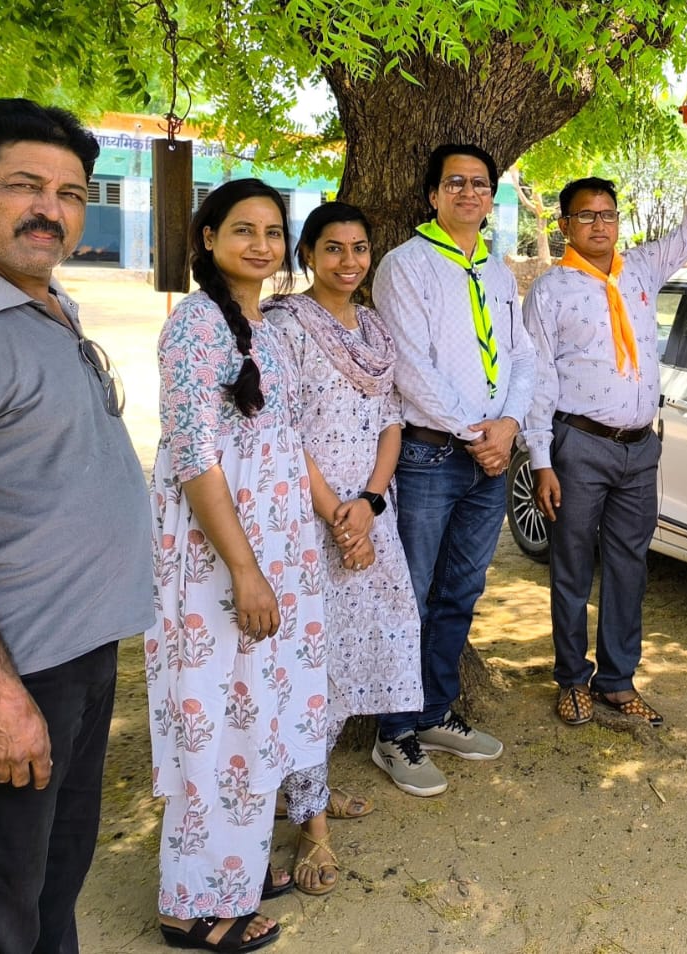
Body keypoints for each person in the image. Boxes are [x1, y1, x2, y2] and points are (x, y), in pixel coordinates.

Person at [0, 97, 154, 954]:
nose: (51, 209)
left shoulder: (43, 300)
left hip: (76, 651)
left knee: (53, 882)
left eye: (72, 193)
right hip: (14, 669)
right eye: (24, 185)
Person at [148, 178, 339, 950]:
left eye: (272, 231)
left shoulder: (268, 326)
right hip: (221, 560)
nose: (260, 244)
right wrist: (246, 570)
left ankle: (234, 869)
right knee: (219, 722)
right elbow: (195, 458)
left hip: (277, 549)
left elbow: (282, 441)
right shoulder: (195, 325)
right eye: (243, 230)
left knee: (258, 715)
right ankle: (191, 907)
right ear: (207, 237)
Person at [523, 131, 687, 728]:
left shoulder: (641, 268)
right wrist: (541, 461)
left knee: (630, 566)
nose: (600, 225)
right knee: (571, 566)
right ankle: (571, 679)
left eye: (608, 214)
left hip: (640, 447)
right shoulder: (550, 290)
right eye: (587, 216)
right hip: (578, 445)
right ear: (565, 225)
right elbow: (537, 379)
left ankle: (616, 679)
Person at [266, 202, 423, 895]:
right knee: (310, 670)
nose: (349, 261)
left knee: (358, 653)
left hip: (369, 514)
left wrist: (370, 504)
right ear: (307, 253)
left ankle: (309, 788)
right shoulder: (284, 328)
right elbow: (281, 432)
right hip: (307, 523)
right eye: (333, 248)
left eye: (359, 248)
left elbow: (391, 421)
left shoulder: (376, 329)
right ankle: (313, 828)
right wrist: (336, 513)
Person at [371, 143, 532, 795]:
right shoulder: (405, 266)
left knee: (460, 592)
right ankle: (393, 732)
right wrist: (476, 434)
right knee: (409, 593)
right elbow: (410, 368)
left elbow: (522, 356)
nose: (469, 192)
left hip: (489, 459)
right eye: (455, 182)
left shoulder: (497, 270)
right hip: (430, 455)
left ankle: (434, 712)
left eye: (480, 183)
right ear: (432, 195)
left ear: (491, 197)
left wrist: (509, 426)